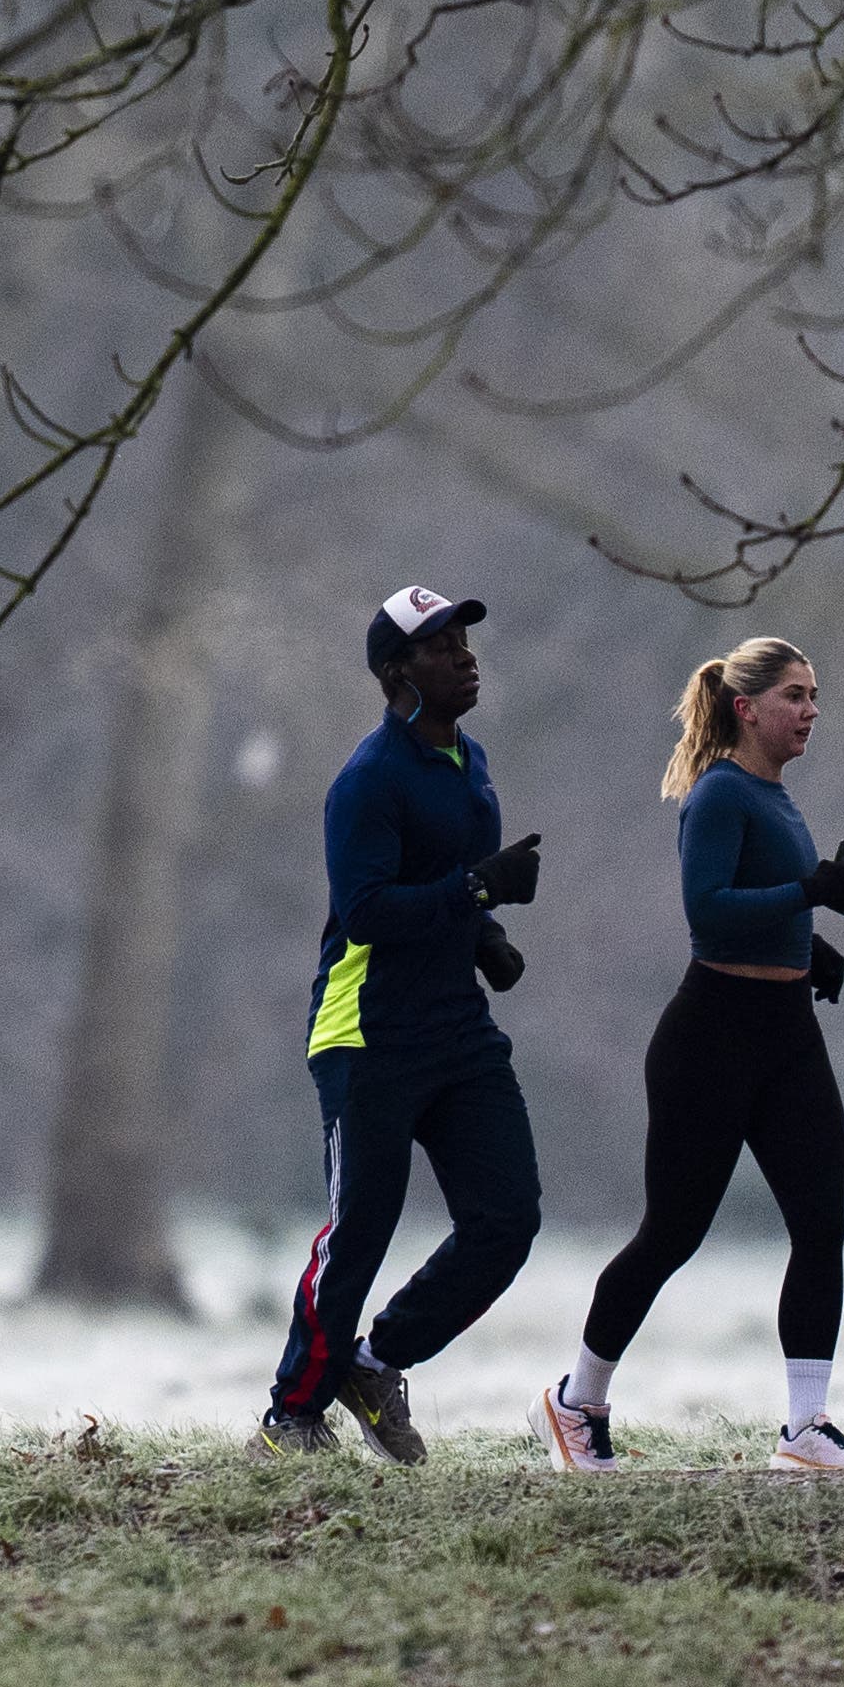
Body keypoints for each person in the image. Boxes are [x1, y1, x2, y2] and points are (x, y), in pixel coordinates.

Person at [539, 635, 844, 1477]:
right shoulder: (719, 793)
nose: (809, 710)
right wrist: (809, 893)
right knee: (671, 1233)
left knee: (820, 1223)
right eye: (795, 695)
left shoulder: (776, 795)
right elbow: (710, 909)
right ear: (746, 706)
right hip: (710, 1038)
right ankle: (576, 1400)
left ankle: (806, 1428)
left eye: (814, 695)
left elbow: (762, 904)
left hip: (786, 1034)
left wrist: (811, 946)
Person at [256, 583, 544, 1462]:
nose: (464, 654)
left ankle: (373, 1362)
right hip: (366, 1028)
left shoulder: (472, 761)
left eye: (465, 638)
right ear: (395, 674)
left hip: (457, 1026)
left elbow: (451, 877)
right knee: (363, 1227)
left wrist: (484, 934)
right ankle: (290, 1416)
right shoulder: (367, 780)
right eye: (440, 644)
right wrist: (478, 890)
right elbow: (370, 909)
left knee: (505, 1220)